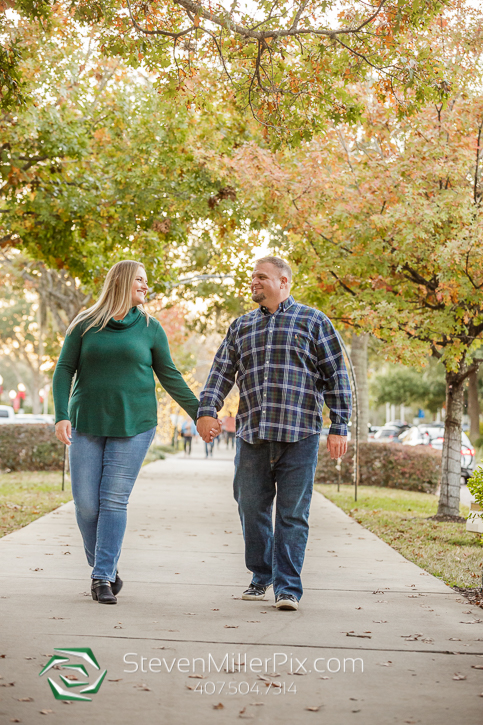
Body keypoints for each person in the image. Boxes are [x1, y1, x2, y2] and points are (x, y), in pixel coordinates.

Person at [52, 260, 213, 605]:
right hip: (87, 422)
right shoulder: (85, 324)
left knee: (113, 500)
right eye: (139, 279)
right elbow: (64, 369)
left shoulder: (150, 328)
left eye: (146, 279)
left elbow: (169, 374)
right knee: (85, 505)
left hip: (135, 424)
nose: (145, 285)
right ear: (122, 282)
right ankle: (105, 566)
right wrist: (61, 415)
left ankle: (102, 577)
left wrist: (201, 413)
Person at [197, 257, 352, 611]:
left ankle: (287, 588)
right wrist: (207, 409)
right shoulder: (241, 326)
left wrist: (339, 425)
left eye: (261, 277)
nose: (254, 282)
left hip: (300, 436)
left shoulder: (314, 322)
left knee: (292, 515)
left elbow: (336, 377)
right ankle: (261, 573)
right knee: (251, 508)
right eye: (252, 277)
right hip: (253, 436)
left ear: (284, 282)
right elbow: (221, 371)